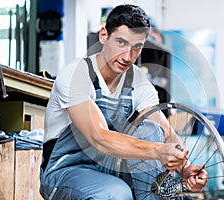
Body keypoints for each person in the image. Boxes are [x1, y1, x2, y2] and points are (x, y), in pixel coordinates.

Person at [39, 4, 207, 200]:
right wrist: (158, 151)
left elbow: (164, 131)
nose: (128, 56)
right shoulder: (76, 74)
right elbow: (98, 137)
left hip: (112, 170)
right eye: (121, 42)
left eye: (136, 47)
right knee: (116, 193)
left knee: (151, 130)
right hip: (67, 172)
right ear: (104, 36)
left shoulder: (138, 80)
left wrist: (184, 167)